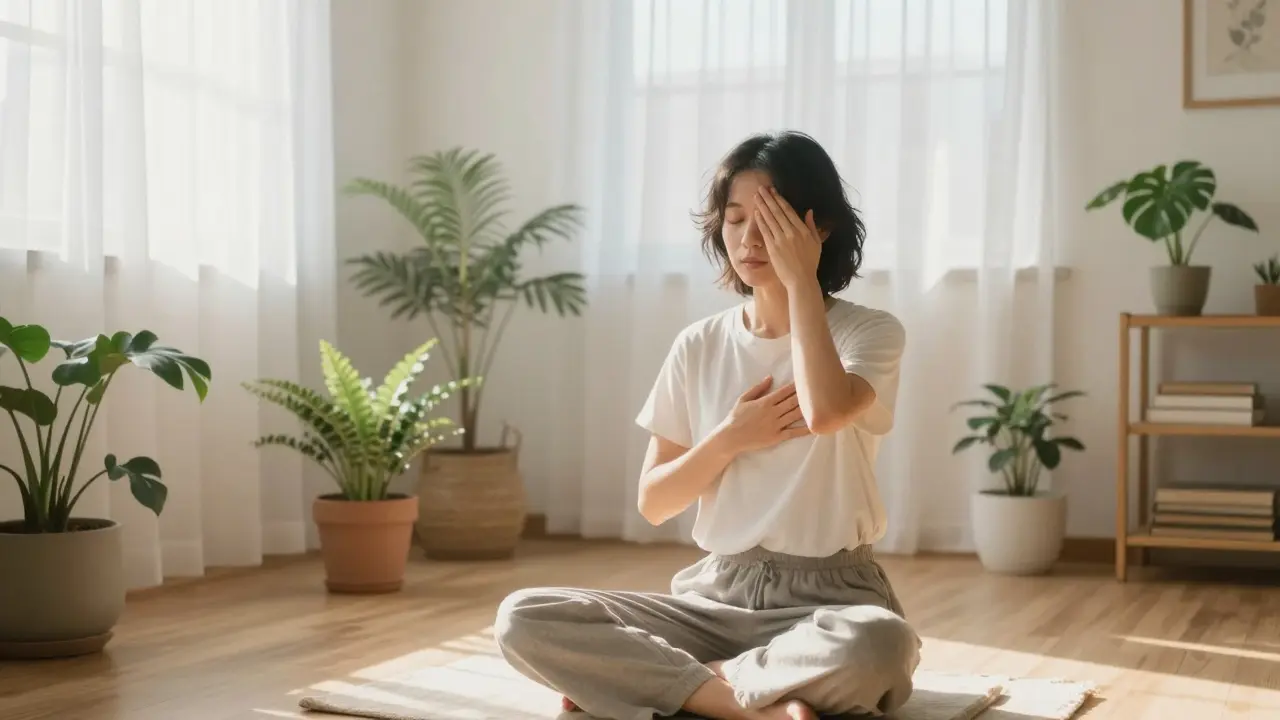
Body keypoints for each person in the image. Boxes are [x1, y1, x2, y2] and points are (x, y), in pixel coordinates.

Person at [494, 131, 921, 720]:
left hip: (831, 600)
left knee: (881, 645)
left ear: (819, 228)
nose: (748, 238)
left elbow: (824, 412)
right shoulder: (698, 344)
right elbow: (655, 500)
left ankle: (672, 687)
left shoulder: (869, 333)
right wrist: (731, 437)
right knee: (524, 616)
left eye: (770, 219)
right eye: (734, 218)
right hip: (712, 599)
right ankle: (753, 705)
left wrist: (799, 281)